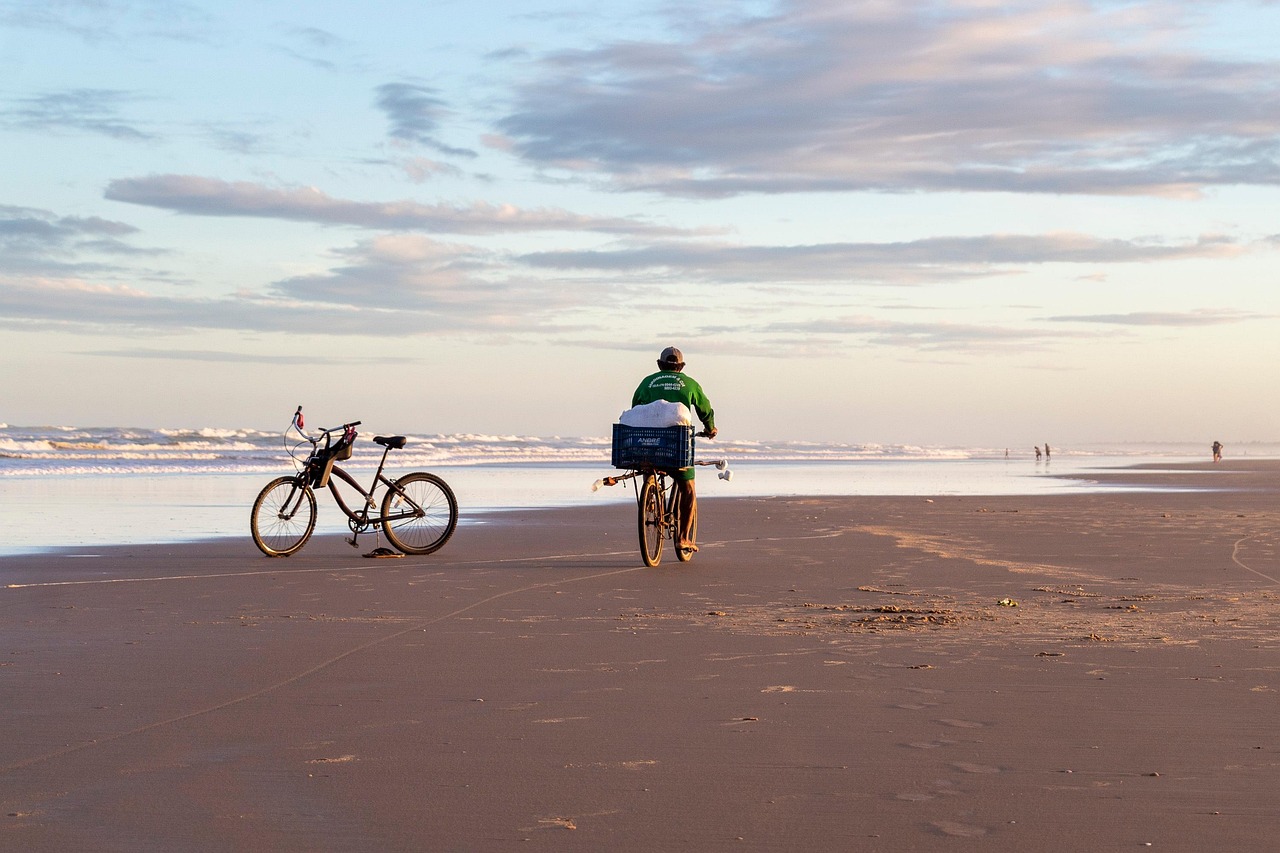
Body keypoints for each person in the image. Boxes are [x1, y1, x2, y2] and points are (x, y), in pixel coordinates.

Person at [632, 346, 717, 552]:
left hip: (648, 444)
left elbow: (636, 408)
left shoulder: (647, 382)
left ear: (660, 365)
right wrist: (710, 427)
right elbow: (704, 409)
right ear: (681, 366)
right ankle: (682, 538)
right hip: (677, 445)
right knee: (688, 489)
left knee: (649, 462)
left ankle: (650, 498)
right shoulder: (689, 383)